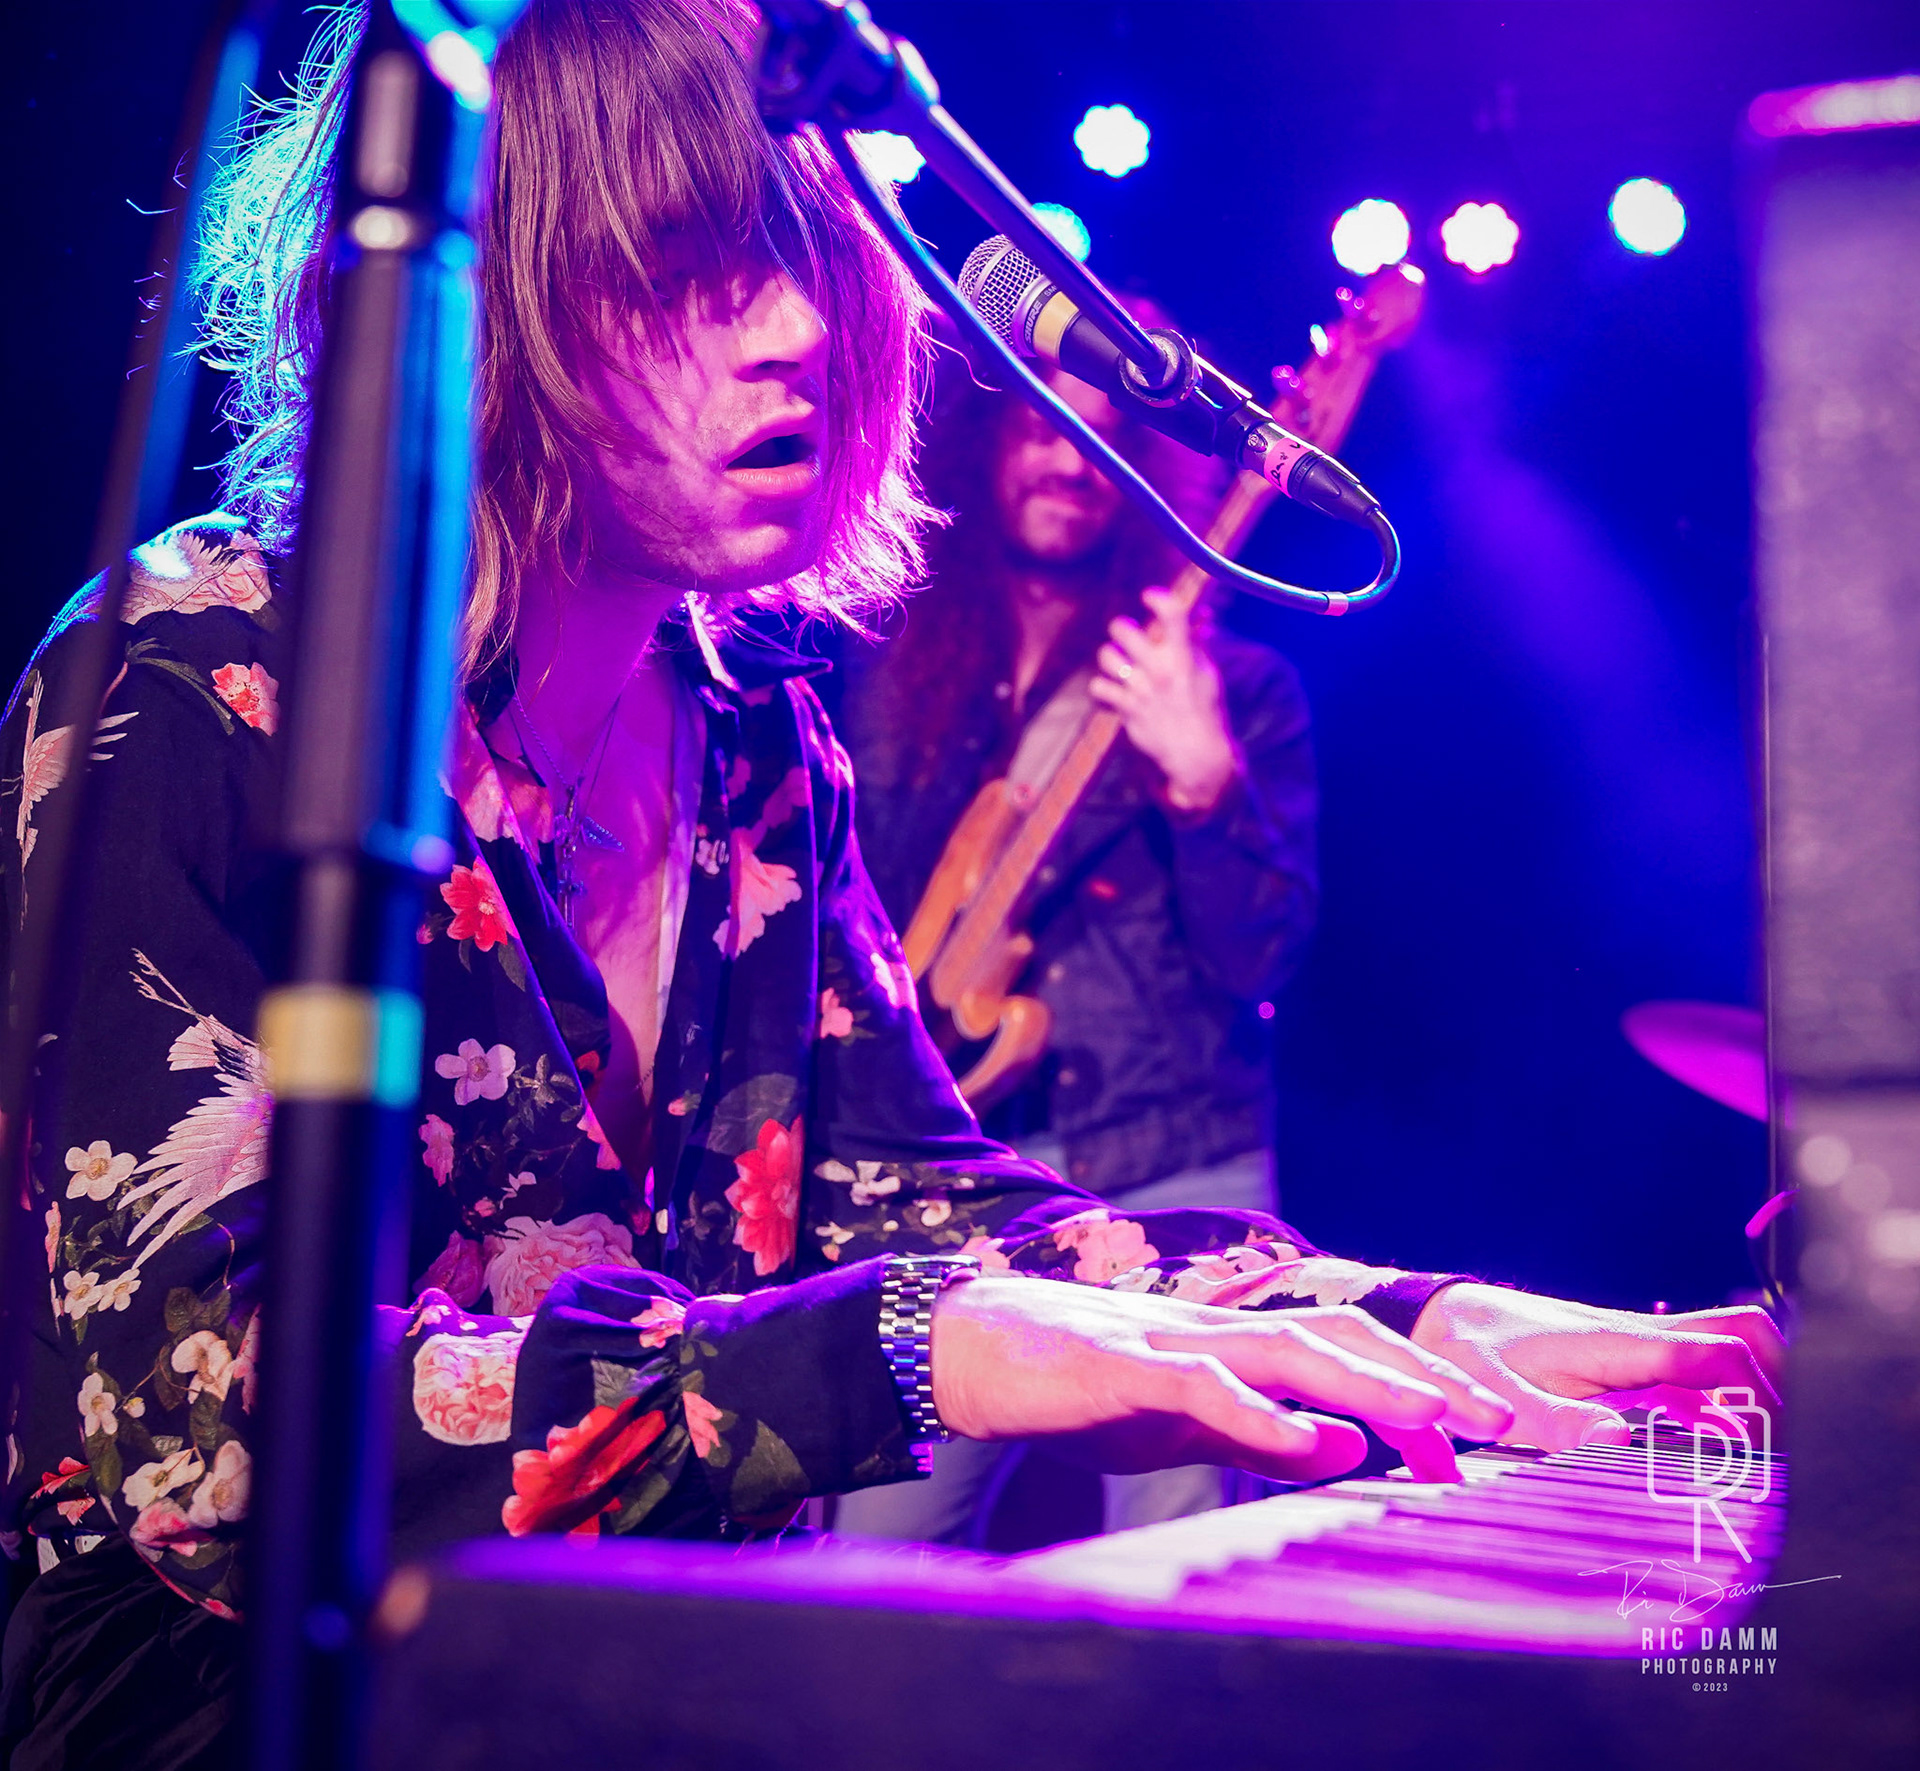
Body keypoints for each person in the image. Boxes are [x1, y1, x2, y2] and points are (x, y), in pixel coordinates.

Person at [0, 2, 1783, 1765]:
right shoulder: (192, 675)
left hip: (659, 1688)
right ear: (492, 294)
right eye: (688, 268)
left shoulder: (753, 736)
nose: (795, 331)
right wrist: (919, 1344)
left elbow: (930, 1207)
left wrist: (1402, 1314)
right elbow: (217, 1447)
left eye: (809, 260)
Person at [832, 316, 1319, 1542]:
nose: (1069, 461)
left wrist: (1204, 783)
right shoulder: (883, 661)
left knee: (1184, 1561)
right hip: (952, 1183)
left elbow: (1263, 959)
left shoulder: (1235, 686)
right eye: (1045, 427)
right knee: (874, 1558)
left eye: (1107, 441)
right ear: (990, 438)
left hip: (1174, 1163)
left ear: (1148, 475)